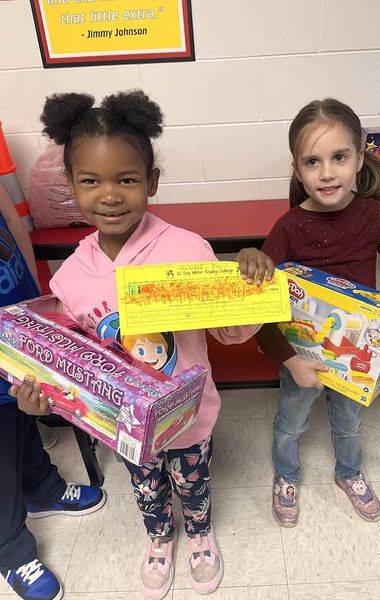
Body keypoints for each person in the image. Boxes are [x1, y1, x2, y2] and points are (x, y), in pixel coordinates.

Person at [14, 89, 273, 600]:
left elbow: (230, 332)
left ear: (151, 182)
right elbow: (69, 363)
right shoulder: (69, 279)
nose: (109, 194)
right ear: (70, 185)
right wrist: (41, 396)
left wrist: (249, 293)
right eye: (90, 181)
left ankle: (199, 533)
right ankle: (160, 537)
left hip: (190, 412)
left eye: (127, 179)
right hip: (123, 423)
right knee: (146, 486)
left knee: (194, 481)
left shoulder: (187, 249)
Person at [238, 97, 380, 527]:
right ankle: (286, 475)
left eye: (339, 157)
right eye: (312, 161)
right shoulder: (289, 226)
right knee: (292, 421)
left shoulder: (376, 215)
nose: (327, 172)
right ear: (297, 169)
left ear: (359, 157)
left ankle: (349, 473)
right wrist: (290, 361)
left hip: (358, 351)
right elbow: (259, 308)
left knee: (350, 422)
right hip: (301, 352)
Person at [0, 184, 106, 600]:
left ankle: (41, 487)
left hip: (15, 318)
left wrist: (33, 296)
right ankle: (11, 551)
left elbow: (10, 219)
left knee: (22, 412)